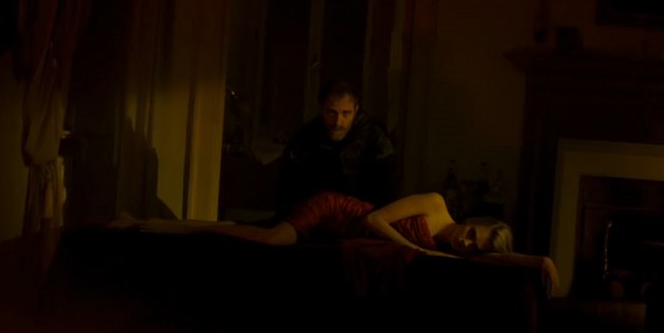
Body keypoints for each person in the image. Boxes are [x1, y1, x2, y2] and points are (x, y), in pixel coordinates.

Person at [117, 190, 514, 259]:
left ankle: (153, 223)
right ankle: (158, 227)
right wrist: (413, 249)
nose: (466, 242)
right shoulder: (436, 205)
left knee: (254, 229)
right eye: (473, 234)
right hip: (335, 210)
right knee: (271, 240)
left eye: (475, 247)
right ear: (473, 221)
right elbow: (374, 218)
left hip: (339, 233)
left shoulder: (448, 253)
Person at [276, 79, 398, 218]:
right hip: (317, 216)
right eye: (331, 113)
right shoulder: (305, 137)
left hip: (361, 216)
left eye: (346, 113)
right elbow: (289, 187)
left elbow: (388, 186)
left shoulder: (374, 136)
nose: (338, 122)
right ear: (321, 109)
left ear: (356, 109)